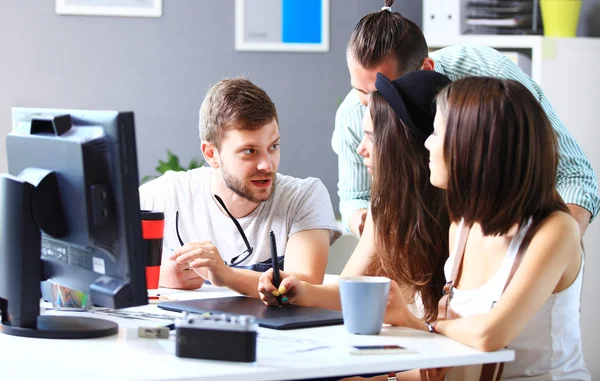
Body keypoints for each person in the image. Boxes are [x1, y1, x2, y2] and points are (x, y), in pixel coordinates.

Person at [335, 0, 598, 238]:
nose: (372, 107)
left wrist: (553, 248)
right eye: (361, 92)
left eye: (386, 92)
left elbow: (575, 175)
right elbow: (354, 198)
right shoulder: (352, 115)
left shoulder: (490, 76)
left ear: (426, 68)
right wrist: (365, 222)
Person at [384, 77, 590, 380]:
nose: (427, 142)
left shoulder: (555, 231)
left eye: (438, 131)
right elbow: (451, 358)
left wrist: (420, 324)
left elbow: (489, 334)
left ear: (473, 146)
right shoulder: (462, 228)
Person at [259, 70, 452, 330]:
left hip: (427, 363)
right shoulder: (385, 208)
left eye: (371, 136)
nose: (360, 148)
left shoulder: (462, 220)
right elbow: (350, 289)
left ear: (400, 144)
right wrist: (299, 291)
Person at [140, 78, 341, 296]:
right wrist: (159, 275)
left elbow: (303, 286)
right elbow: (100, 257)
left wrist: (226, 275)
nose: (267, 165)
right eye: (249, 151)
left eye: (273, 146)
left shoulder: (303, 197)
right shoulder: (169, 193)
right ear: (211, 154)